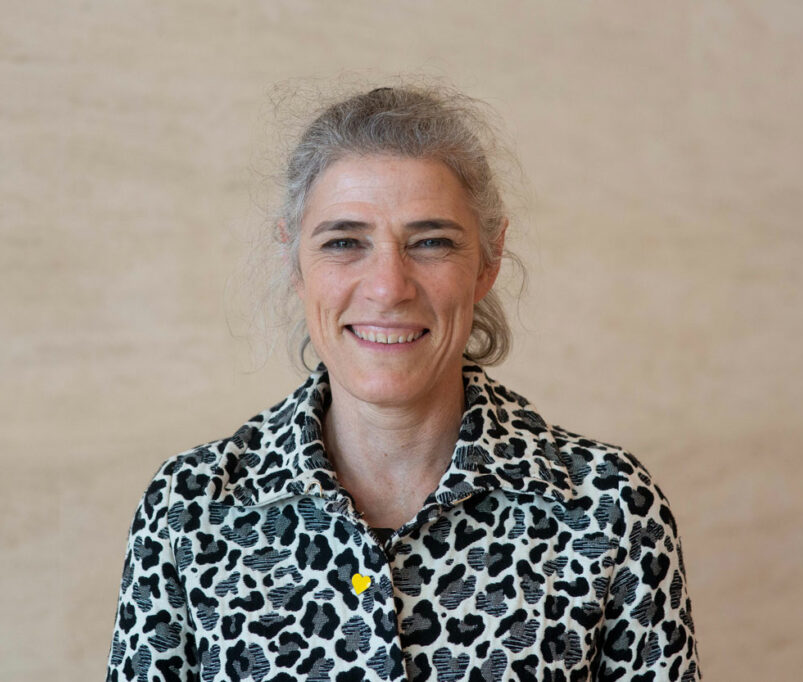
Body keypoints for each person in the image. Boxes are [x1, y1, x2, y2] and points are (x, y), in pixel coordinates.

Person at [106, 84, 700, 682]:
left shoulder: (609, 509)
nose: (389, 287)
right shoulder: (191, 509)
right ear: (295, 262)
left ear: (489, 260)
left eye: (431, 242)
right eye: (344, 242)